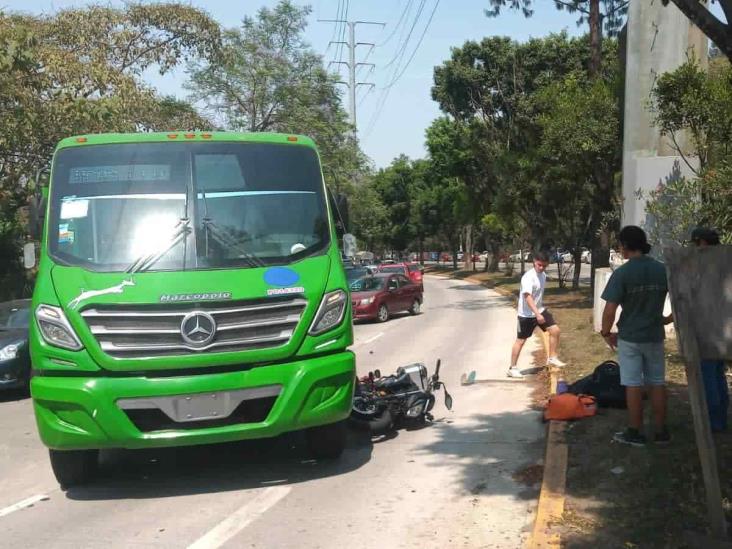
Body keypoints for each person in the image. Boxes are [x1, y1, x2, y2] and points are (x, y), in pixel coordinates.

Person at [600, 226, 672, 446]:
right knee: (657, 382)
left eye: (620, 244)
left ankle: (635, 432)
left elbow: (610, 309)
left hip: (630, 338)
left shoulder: (622, 273)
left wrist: (605, 333)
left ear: (626, 246)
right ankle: (660, 432)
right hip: (654, 335)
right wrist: (667, 320)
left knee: (633, 384)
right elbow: (681, 300)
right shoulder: (662, 270)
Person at [691, 227, 729, 432]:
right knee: (717, 374)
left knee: (708, 376)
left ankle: (713, 422)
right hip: (722, 329)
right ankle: (720, 418)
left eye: (695, 244)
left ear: (703, 243)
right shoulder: (723, 262)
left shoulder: (705, 267)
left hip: (708, 330)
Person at [508, 250, 566, 379]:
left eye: (544, 266)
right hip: (526, 315)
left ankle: (552, 357)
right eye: (539, 265)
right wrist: (537, 314)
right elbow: (527, 297)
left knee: (555, 330)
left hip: (539, 310)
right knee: (521, 341)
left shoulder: (543, 275)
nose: (541, 268)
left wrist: (539, 312)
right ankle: (512, 368)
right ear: (534, 262)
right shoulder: (528, 277)